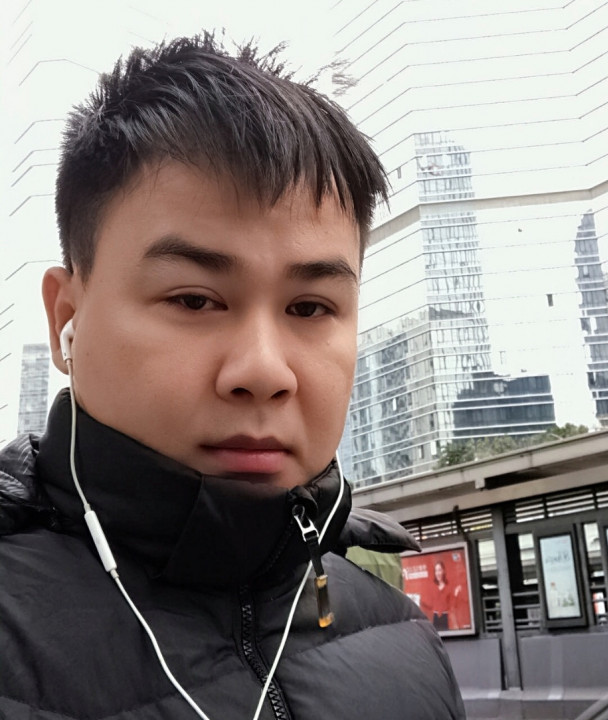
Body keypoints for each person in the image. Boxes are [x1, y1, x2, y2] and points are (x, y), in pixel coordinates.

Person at [0, 33, 466, 720]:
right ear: (67, 318)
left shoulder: (405, 641)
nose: (264, 371)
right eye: (194, 300)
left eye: (309, 308)